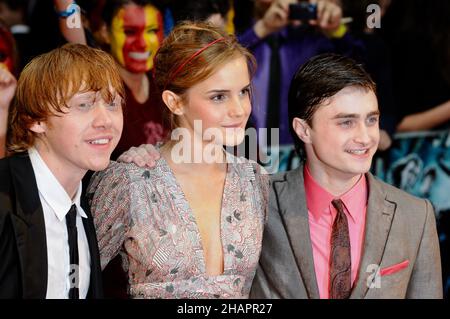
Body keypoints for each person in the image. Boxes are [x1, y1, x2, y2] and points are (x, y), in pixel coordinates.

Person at [87, 21, 269, 299]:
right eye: (219, 96)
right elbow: (72, 282)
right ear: (175, 102)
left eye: (243, 91)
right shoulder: (128, 181)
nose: (239, 109)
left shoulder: (255, 180)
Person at [250, 54, 443, 299]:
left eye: (371, 120)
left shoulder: (415, 216)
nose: (365, 137)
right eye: (346, 123)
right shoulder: (258, 202)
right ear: (304, 130)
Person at [0, 43, 124, 298]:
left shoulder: (88, 201)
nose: (106, 120)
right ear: (35, 120)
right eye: (84, 105)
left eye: (113, 104)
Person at [236, 0, 363, 145]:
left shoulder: (313, 41)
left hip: (298, 149)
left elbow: (358, 66)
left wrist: (336, 30)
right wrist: (263, 28)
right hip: (246, 148)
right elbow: (222, 61)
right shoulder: (246, 36)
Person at [102, 0, 166, 158]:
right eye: (130, 32)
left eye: (152, 31)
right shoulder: (98, 89)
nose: (143, 44)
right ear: (105, 32)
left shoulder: (167, 83)